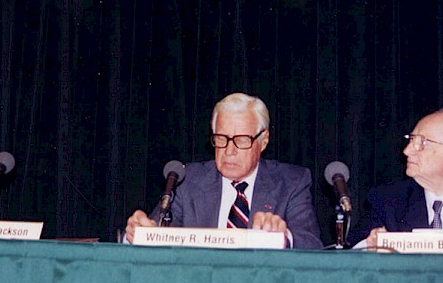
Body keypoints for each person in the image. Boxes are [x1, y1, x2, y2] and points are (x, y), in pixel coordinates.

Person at [124, 92, 323, 249]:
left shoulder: (291, 182)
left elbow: (312, 244)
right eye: (221, 138)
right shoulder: (187, 181)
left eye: (242, 140)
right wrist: (135, 233)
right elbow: (153, 231)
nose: (229, 151)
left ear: (264, 141)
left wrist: (284, 238)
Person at [347, 106, 443, 248]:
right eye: (411, 140)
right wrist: (369, 244)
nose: (407, 151)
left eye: (423, 143)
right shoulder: (389, 200)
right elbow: (352, 248)